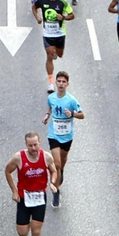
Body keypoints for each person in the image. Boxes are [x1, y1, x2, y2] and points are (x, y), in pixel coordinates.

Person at [4, 132, 58, 236]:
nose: (33, 148)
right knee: (22, 233)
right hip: (24, 197)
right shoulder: (18, 157)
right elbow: (7, 171)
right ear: (26, 145)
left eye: (35, 145)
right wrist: (14, 191)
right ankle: (27, 222)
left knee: (36, 230)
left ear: (39, 143)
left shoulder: (46, 157)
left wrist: (52, 183)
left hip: (39, 197)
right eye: (30, 146)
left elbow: (53, 171)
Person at [43, 71, 83, 206]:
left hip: (67, 136)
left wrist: (72, 114)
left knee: (63, 161)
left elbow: (82, 115)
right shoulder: (52, 97)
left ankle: (60, 172)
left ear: (67, 84)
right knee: (57, 163)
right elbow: (50, 108)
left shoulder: (71, 100)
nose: (60, 84)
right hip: (53, 134)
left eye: (63, 82)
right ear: (56, 83)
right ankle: (56, 192)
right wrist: (47, 116)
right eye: (58, 81)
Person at [32, 0, 74, 90]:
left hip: (60, 33)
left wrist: (63, 17)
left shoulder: (62, 2)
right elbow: (34, 7)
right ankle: (51, 82)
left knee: (60, 55)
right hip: (48, 33)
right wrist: (38, 18)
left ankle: (56, 52)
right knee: (49, 55)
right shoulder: (42, 0)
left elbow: (72, 15)